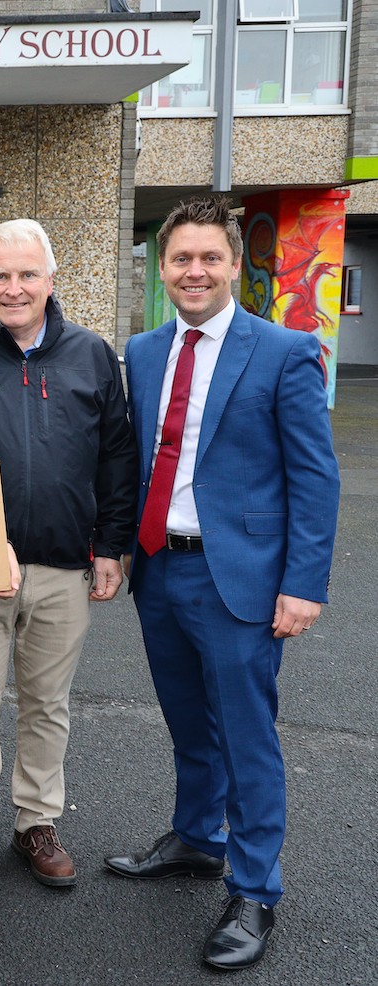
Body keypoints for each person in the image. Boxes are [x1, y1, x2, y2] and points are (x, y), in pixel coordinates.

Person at [107, 196, 340, 970]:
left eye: (210, 258)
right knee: (186, 720)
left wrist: (303, 584)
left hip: (238, 577)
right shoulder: (142, 353)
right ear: (162, 268)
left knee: (246, 735)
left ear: (235, 265)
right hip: (161, 569)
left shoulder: (283, 351)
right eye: (180, 259)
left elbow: (315, 477)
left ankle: (255, 889)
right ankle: (200, 838)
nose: (195, 271)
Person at [0, 219, 137, 887]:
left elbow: (116, 456)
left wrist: (112, 547)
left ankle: (37, 820)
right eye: (1, 276)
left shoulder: (92, 355)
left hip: (67, 563)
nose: (15, 288)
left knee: (48, 700)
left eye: (27, 274)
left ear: (50, 279)